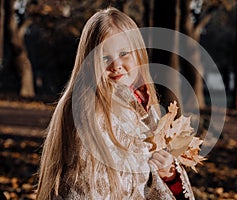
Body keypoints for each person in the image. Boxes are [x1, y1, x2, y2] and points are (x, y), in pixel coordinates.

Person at [36, 7, 195, 200]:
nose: (116, 65)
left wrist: (168, 174)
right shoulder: (87, 111)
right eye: (105, 57)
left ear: (138, 54)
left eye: (124, 53)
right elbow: (87, 185)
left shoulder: (144, 106)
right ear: (89, 61)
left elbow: (150, 177)